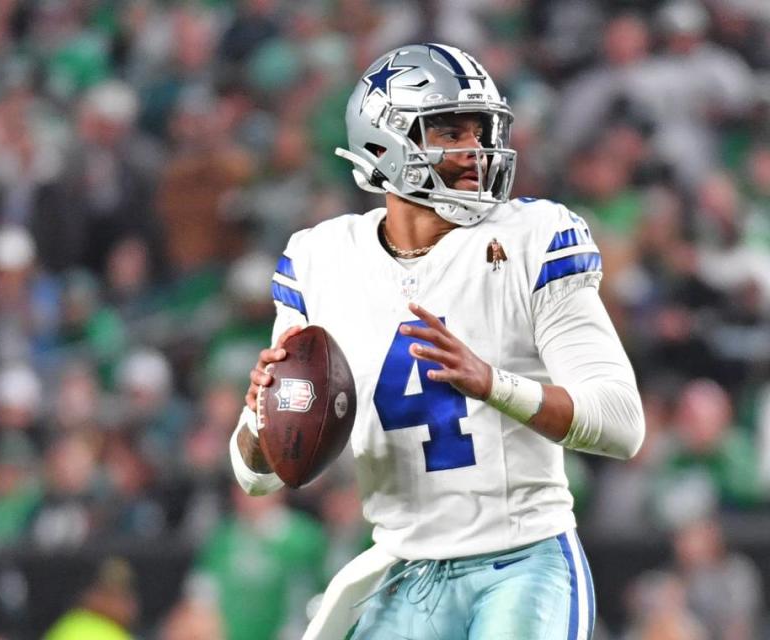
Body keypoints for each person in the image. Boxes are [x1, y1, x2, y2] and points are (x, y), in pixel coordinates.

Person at [229, 43, 645, 639]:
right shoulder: (321, 260)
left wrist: (494, 385)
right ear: (383, 144)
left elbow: (622, 423)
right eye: (450, 131)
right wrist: (262, 417)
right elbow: (257, 475)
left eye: (481, 131)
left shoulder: (535, 237)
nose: (475, 151)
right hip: (404, 573)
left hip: (521, 560)